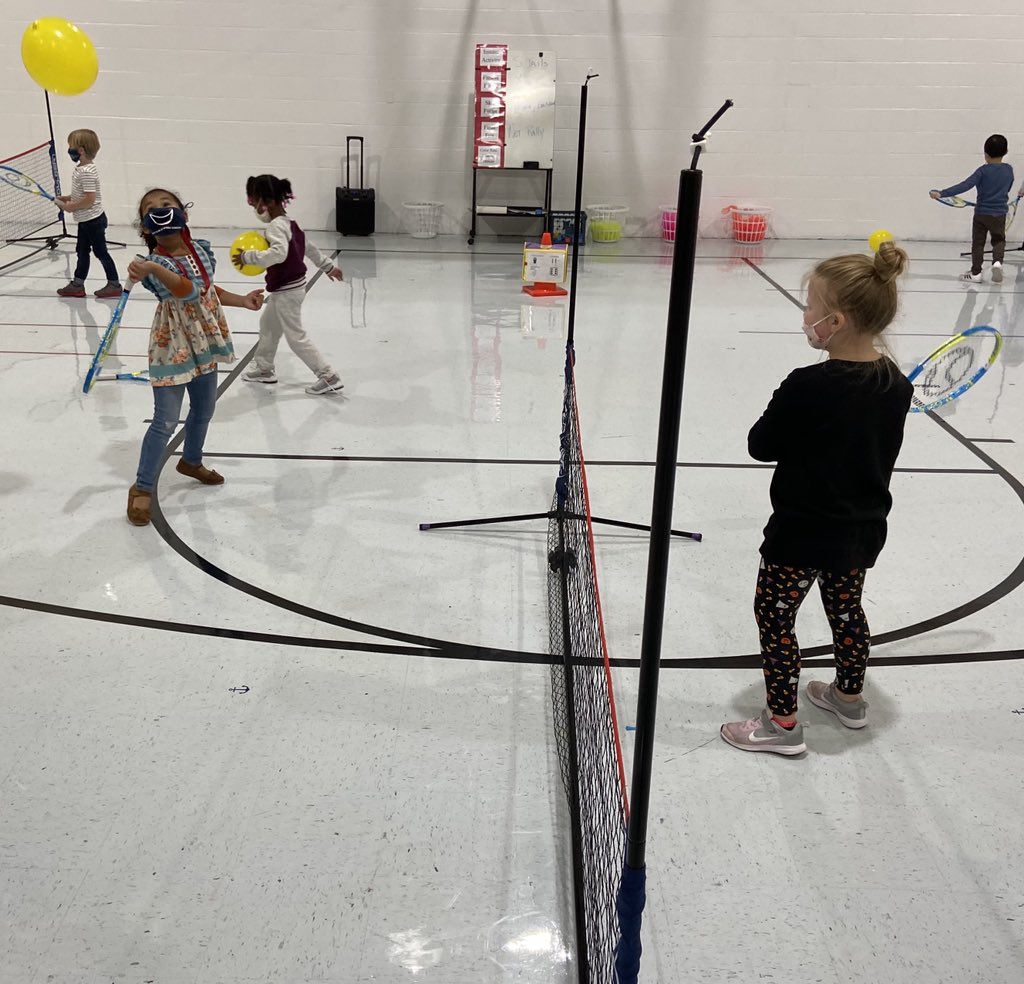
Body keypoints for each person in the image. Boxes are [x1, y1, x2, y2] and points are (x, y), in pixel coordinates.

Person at [720, 241, 914, 755]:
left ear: (836, 321)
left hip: (801, 531)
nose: (805, 317)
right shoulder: (896, 384)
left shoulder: (807, 384)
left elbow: (760, 445)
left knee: (775, 618)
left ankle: (782, 725)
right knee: (846, 610)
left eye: (810, 307)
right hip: (862, 527)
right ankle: (849, 698)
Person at [125, 188, 263, 527]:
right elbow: (184, 291)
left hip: (204, 341)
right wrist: (151, 268)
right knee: (165, 420)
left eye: (167, 204)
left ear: (183, 214)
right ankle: (142, 487)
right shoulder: (152, 265)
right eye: (150, 208)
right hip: (172, 344)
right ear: (145, 226)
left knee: (204, 409)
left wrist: (242, 300)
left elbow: (205, 289)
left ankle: (191, 461)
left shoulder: (200, 249)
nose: (160, 210)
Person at [234, 174, 345, 395]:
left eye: (255, 204)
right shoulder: (290, 223)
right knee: (268, 326)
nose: (255, 209)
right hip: (289, 288)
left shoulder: (275, 227)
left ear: (268, 202)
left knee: (296, 337)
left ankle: (328, 375)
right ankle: (264, 368)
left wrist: (248, 257)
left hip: (288, 290)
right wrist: (328, 267)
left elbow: (278, 254)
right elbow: (309, 247)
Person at [930, 134, 1014, 284]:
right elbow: (1007, 188)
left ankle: (976, 273)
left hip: (981, 214)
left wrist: (942, 193)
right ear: (1006, 151)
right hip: (1000, 214)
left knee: (978, 243)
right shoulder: (1008, 170)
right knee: (998, 240)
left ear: (985, 154)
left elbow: (965, 185)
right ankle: (997, 262)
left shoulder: (982, 171)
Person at [54, 128, 122, 298]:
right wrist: (68, 198)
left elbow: (90, 199)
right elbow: (82, 194)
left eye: (71, 146)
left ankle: (114, 284)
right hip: (86, 220)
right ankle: (78, 285)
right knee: (82, 251)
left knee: (101, 252)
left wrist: (71, 207)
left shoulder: (86, 172)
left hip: (93, 221)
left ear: (81, 150)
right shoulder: (81, 168)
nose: (69, 149)